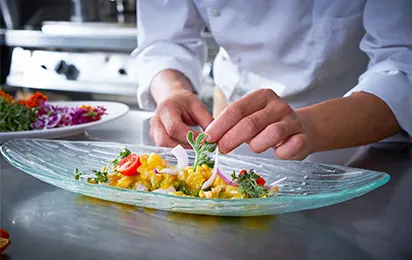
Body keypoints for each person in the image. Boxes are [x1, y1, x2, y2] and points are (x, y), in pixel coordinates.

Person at [133, 0, 412, 160]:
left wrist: (308, 126)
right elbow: (165, 42)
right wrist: (172, 91)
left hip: (359, 140)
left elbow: (402, 64)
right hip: (233, 134)